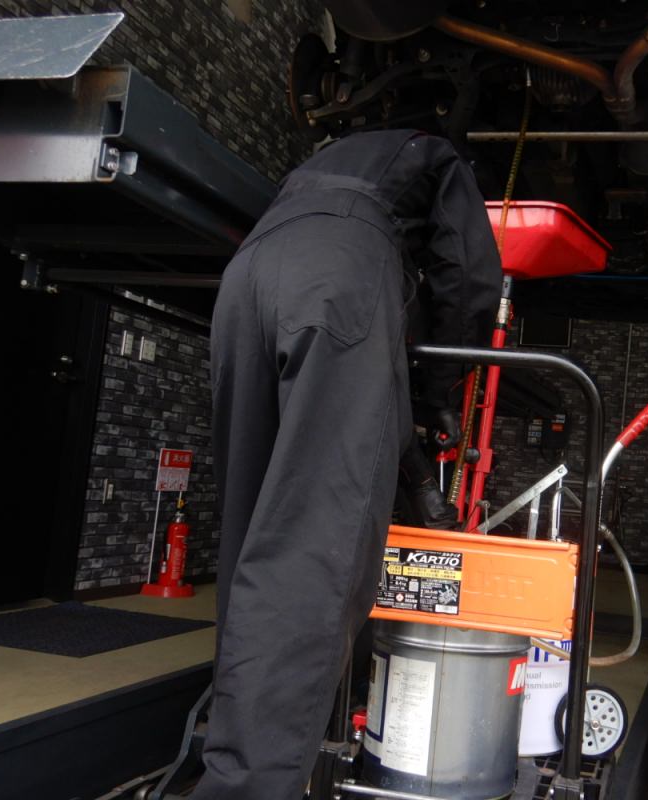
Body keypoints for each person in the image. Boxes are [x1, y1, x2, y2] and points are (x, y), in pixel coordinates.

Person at [194, 130, 503, 800]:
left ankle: (236, 749)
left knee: (252, 529)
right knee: (316, 547)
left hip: (246, 276)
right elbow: (469, 275)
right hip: (340, 278)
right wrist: (436, 392)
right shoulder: (435, 151)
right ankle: (248, 784)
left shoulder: (327, 157)